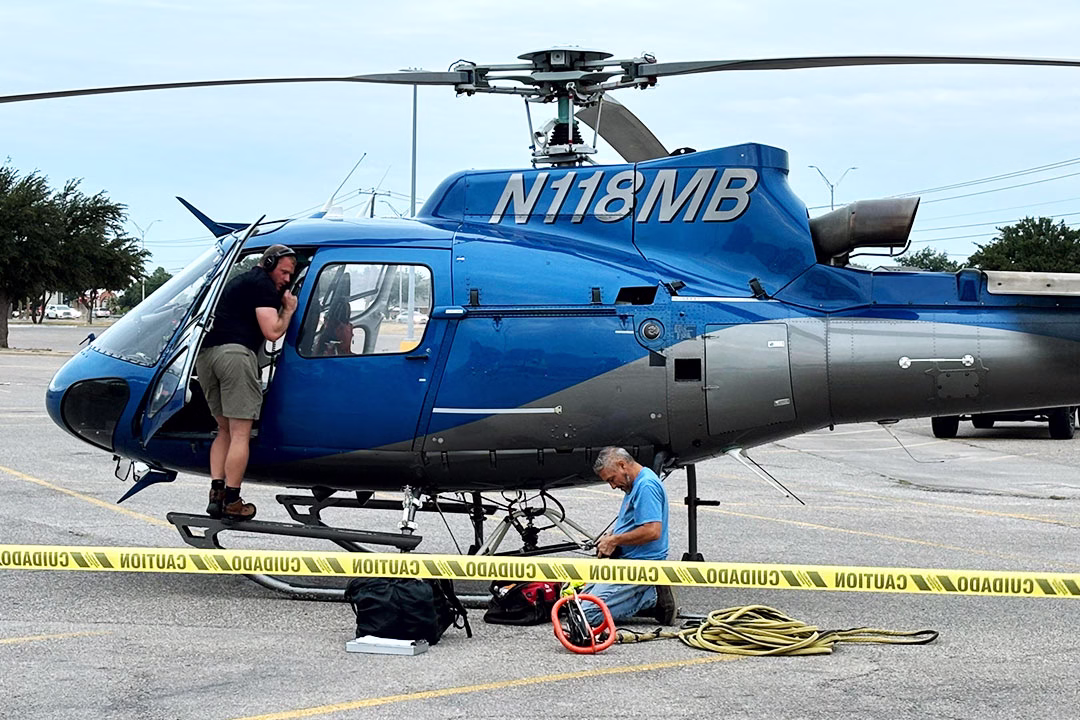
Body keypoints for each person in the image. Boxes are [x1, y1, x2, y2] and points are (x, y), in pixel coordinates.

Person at [197, 244, 298, 520]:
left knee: (223, 430)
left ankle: (216, 495)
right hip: (235, 356)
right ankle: (232, 500)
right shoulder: (263, 285)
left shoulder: (239, 281)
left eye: (291, 275)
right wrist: (288, 310)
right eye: (284, 272)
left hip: (206, 356)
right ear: (268, 264)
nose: (286, 280)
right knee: (240, 433)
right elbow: (272, 332)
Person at [582, 446, 677, 625]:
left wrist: (615, 540)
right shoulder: (634, 483)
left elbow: (652, 531)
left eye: (611, 479)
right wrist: (612, 536)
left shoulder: (646, 485)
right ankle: (644, 598)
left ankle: (654, 597)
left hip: (640, 565)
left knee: (586, 615)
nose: (612, 486)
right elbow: (634, 523)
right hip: (625, 560)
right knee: (575, 605)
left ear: (622, 465)